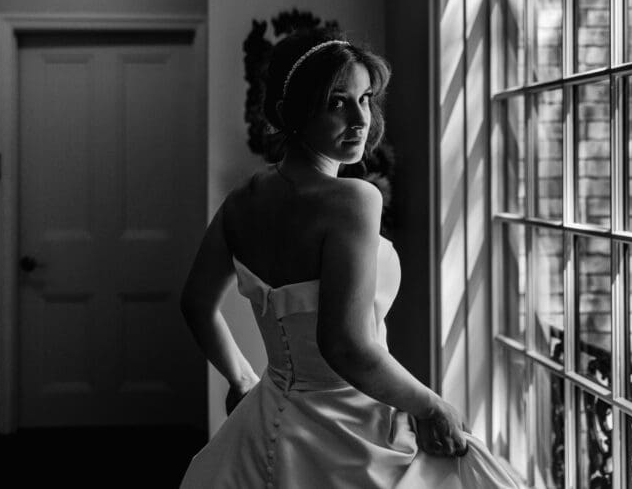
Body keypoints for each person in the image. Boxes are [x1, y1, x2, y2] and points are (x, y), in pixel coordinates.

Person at [178, 29, 519, 488]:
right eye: (337, 102)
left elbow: (196, 303)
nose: (360, 118)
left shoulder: (242, 201)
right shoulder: (355, 200)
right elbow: (345, 344)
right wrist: (429, 405)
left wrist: (242, 379)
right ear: (293, 112)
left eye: (366, 98)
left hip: (265, 425)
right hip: (352, 431)